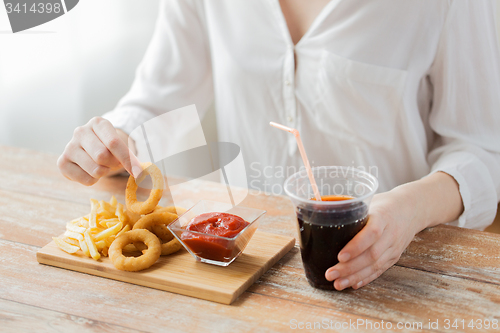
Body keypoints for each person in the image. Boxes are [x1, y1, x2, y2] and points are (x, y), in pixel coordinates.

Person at [57, 0, 500, 291]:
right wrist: (111, 143)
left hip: (397, 270)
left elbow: (482, 151)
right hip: (244, 266)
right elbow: (157, 100)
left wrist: (408, 210)